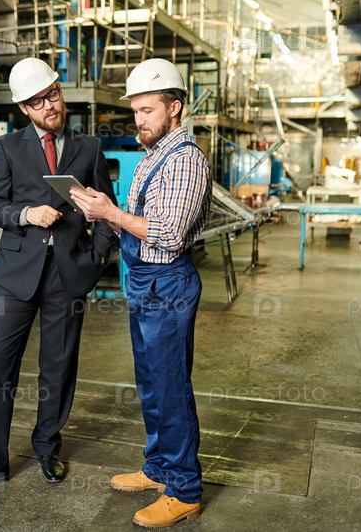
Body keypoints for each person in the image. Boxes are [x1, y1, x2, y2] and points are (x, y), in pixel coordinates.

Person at [0, 57, 118, 491]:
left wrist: (97, 258)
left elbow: (107, 210)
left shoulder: (89, 147)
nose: (49, 105)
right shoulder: (8, 147)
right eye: (37, 101)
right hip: (17, 272)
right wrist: (26, 213)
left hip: (69, 273)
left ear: (60, 91)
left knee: (58, 366)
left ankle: (47, 448)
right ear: (23, 108)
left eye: (52, 94)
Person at [70, 58, 211, 528]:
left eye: (147, 110)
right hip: (145, 280)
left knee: (171, 388)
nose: (139, 120)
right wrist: (103, 212)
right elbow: (142, 225)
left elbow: (168, 234)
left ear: (175, 107)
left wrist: (110, 213)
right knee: (150, 384)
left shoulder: (185, 159)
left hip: (168, 283)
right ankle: (159, 467)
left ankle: (184, 489)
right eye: (135, 111)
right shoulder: (153, 155)